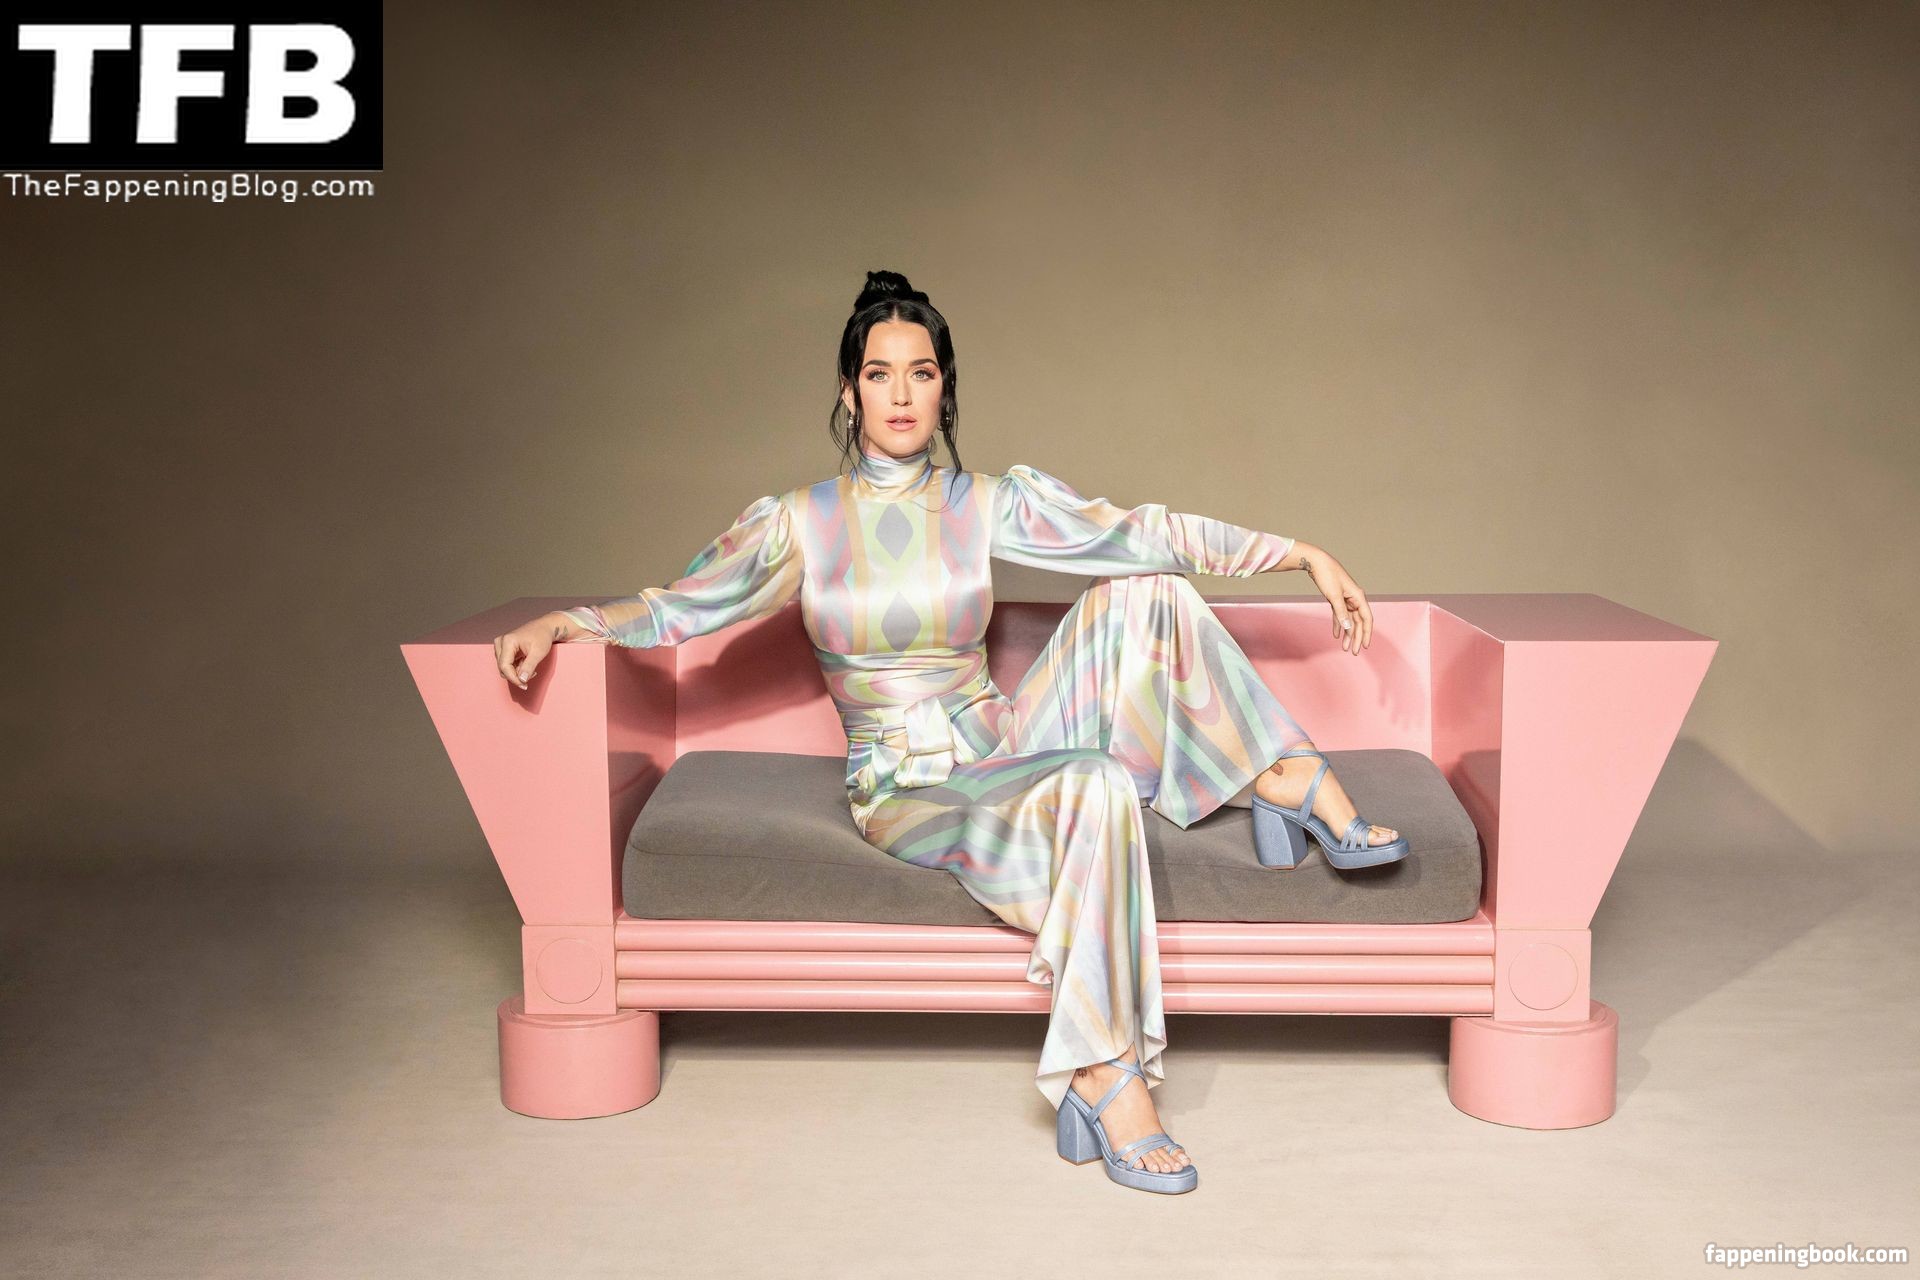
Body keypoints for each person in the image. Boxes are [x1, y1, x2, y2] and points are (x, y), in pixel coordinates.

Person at [493, 269, 1403, 1195]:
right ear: (849, 392)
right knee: (1093, 782)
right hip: (907, 787)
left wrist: (1297, 553)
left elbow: (1138, 531)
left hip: (1000, 744)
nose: (901, 394)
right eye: (879, 374)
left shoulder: (985, 502)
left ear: (944, 389)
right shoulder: (801, 523)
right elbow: (680, 607)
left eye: (921, 373)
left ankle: (1281, 774)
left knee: (1151, 592)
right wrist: (570, 623)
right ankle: (1104, 1074)